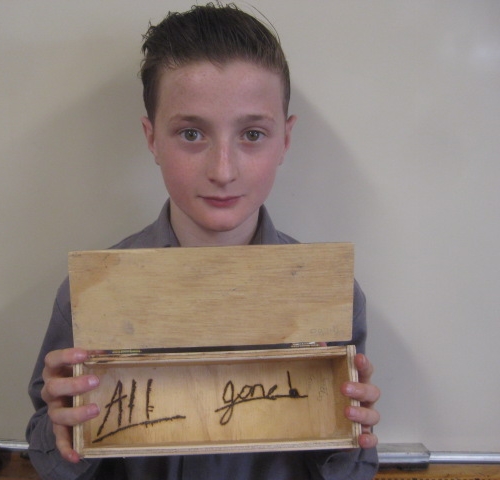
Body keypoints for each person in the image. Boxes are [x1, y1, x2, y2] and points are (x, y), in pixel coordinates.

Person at [26, 4, 381, 479]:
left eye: (252, 134)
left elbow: (351, 471)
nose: (223, 170)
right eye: (191, 133)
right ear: (152, 138)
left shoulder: (329, 295)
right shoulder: (91, 294)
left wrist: (348, 433)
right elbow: (52, 456)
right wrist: (62, 431)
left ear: (285, 140)